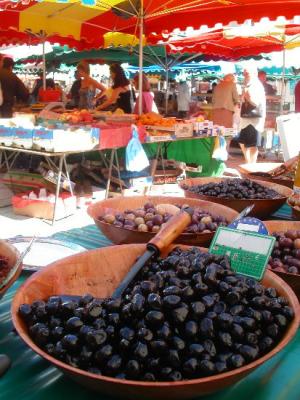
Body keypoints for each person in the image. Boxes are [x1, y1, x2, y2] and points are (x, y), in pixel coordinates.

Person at [237, 64, 266, 164]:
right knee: (242, 142)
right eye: (244, 73)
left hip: (254, 120)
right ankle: (248, 162)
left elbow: (256, 103)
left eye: (247, 74)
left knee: (252, 144)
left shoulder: (256, 85)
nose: (245, 75)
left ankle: (251, 165)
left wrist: (247, 97)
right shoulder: (248, 84)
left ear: (254, 74)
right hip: (246, 119)